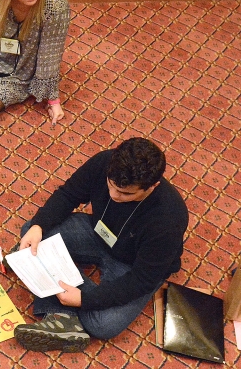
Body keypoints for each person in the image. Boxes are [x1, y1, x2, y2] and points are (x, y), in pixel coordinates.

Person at [13, 137, 189, 352]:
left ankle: (58, 303)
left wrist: (86, 299)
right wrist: (39, 225)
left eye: (126, 193)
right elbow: (69, 194)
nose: (114, 195)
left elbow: (142, 280)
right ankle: (65, 315)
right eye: (111, 186)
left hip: (132, 266)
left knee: (104, 324)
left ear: (152, 186)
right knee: (32, 231)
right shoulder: (105, 162)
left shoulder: (168, 219)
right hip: (97, 233)